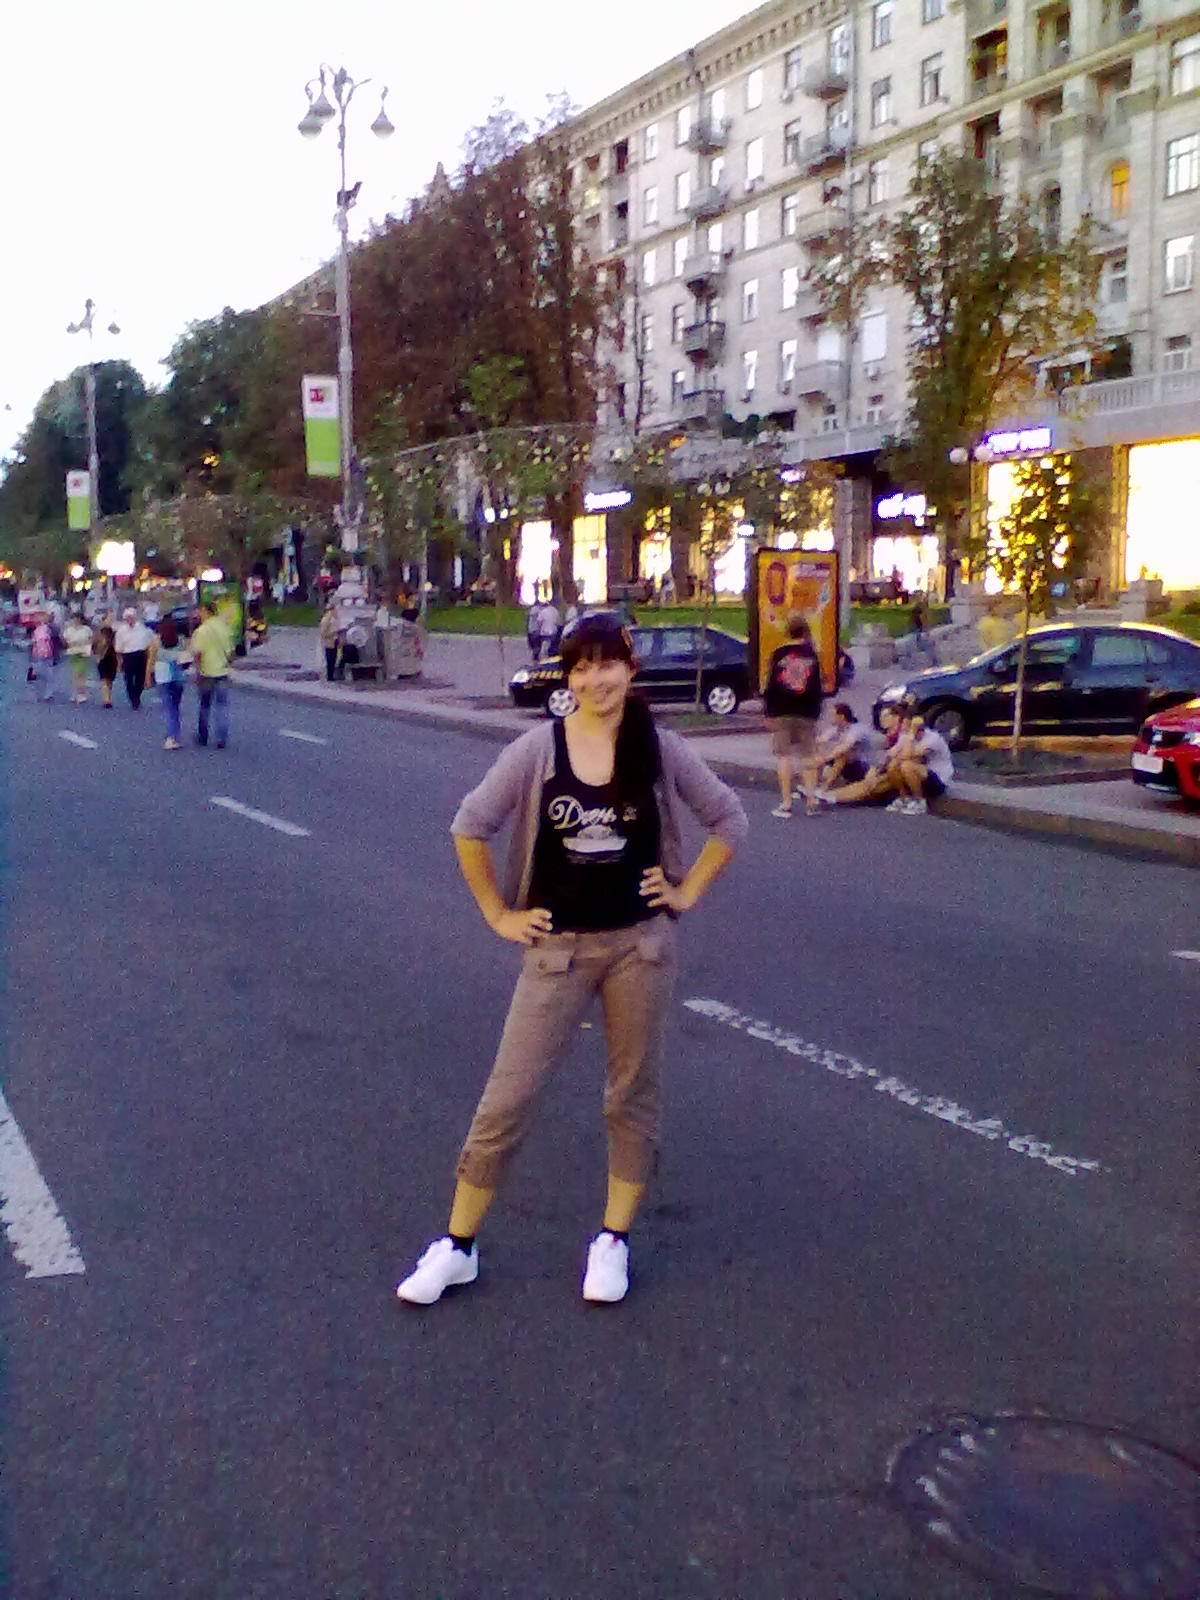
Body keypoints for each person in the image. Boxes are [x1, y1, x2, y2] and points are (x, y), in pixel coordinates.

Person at [395, 610, 748, 1308]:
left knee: (630, 1097)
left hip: (640, 948)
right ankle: (457, 1246)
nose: (596, 680)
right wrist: (499, 913)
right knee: (508, 1098)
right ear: (568, 676)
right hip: (555, 953)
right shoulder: (537, 750)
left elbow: (728, 818)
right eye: (581, 668)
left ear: (630, 669)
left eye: (608, 664)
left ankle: (613, 1239)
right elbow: (470, 827)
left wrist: (684, 891)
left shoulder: (660, 747)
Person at [763, 613, 824, 819]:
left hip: (781, 710)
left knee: (784, 756)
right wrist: (816, 710)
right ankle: (811, 801)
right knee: (808, 755)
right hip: (806, 711)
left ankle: (787, 803)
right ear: (805, 630)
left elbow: (771, 685)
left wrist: (768, 711)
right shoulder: (812, 655)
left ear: (788, 631)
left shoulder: (779, 653)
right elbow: (816, 686)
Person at [815, 706, 914, 809]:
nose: (881, 719)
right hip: (883, 769)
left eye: (885, 716)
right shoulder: (886, 736)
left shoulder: (902, 734)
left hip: (896, 771)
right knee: (868, 783)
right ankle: (830, 795)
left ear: (897, 718)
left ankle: (832, 796)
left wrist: (876, 768)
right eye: (880, 716)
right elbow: (885, 756)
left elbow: (899, 754)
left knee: (870, 784)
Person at [797, 702, 879, 814]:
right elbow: (820, 740)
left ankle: (824, 788)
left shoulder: (856, 729)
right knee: (815, 756)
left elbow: (845, 746)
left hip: (865, 767)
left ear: (841, 717)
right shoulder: (837, 729)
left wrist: (824, 759)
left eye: (833, 715)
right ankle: (812, 787)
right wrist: (817, 752)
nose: (831, 718)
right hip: (851, 765)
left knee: (841, 754)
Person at [890, 713, 955, 815]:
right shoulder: (905, 736)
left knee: (907, 766)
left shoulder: (933, 739)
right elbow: (891, 753)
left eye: (919, 728)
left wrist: (910, 737)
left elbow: (910, 756)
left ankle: (920, 802)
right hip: (919, 777)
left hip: (938, 778)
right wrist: (905, 741)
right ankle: (904, 798)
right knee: (893, 765)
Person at [190, 601, 234, 748]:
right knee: (222, 706)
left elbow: (198, 654)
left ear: (206, 611)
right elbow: (230, 653)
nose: (198, 614)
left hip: (206, 673)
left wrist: (197, 672)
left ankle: (203, 736)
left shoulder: (201, 631)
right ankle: (221, 738)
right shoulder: (224, 627)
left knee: (205, 706)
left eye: (200, 611)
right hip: (222, 672)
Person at [147, 617, 191, 751]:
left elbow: (151, 660)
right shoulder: (181, 640)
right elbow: (187, 657)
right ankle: (175, 735)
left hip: (163, 677)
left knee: (168, 708)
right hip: (178, 677)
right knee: (175, 707)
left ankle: (171, 737)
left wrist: (147, 678)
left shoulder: (156, 641)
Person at [115, 607, 154, 710]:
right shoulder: (121, 631)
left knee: (140, 678)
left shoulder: (142, 628)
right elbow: (118, 648)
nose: (129, 620)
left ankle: (137, 695)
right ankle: (133, 698)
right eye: (127, 617)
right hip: (128, 656)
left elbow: (148, 643)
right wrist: (119, 662)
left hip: (140, 655)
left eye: (131, 617)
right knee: (128, 678)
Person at [63, 612, 94, 704]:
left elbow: (91, 639)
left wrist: (89, 647)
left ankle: (81, 694)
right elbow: (65, 641)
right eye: (74, 619)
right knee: (75, 673)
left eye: (77, 619)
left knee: (80, 673)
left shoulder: (86, 629)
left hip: (83, 653)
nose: (75, 620)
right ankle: (76, 692)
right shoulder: (69, 630)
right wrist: (70, 644)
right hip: (73, 653)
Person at [29, 618, 57, 701]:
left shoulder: (48, 629)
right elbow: (33, 644)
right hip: (39, 655)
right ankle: (43, 693)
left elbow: (54, 640)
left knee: (48, 675)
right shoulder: (35, 631)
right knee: (42, 674)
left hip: (47, 654)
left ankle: (48, 694)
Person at [94, 621, 119, 708]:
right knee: (106, 680)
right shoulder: (106, 642)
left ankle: (107, 699)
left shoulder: (109, 643)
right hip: (108, 662)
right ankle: (107, 699)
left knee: (106, 681)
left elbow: (97, 653)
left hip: (107, 662)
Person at [318, 601, 341, 682]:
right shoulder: (326, 619)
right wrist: (334, 632)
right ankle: (329, 676)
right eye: (336, 609)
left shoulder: (334, 619)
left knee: (334, 659)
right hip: (329, 642)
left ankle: (332, 675)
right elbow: (323, 633)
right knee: (330, 659)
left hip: (334, 642)